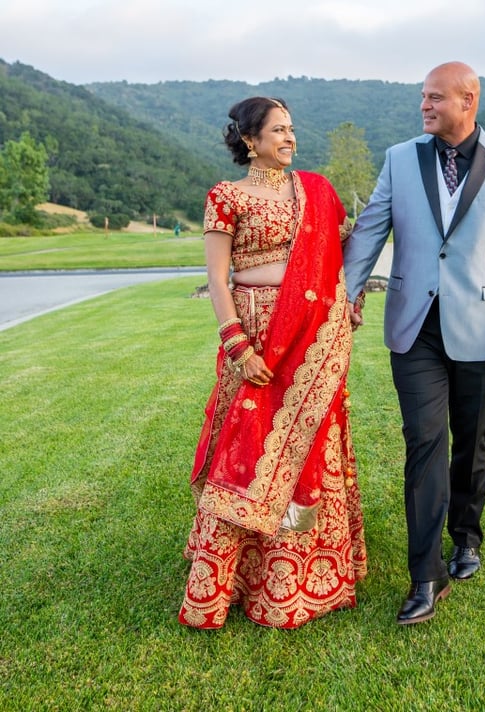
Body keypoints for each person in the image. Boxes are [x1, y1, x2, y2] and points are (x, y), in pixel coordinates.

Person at [343, 62, 485, 625]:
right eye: (422, 98)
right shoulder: (400, 158)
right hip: (414, 326)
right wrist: (348, 294)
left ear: (467, 100)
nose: (423, 107)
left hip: (481, 324)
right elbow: (372, 227)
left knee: (472, 440)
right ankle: (426, 576)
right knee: (424, 441)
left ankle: (467, 537)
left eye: (434, 98)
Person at [179, 96, 367, 629]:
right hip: (255, 334)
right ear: (249, 140)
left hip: (310, 335)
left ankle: (303, 571)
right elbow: (218, 278)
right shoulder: (226, 196)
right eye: (279, 130)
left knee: (309, 441)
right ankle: (231, 576)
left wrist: (343, 302)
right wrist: (237, 345)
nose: (290, 139)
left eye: (292, 130)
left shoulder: (316, 190)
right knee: (249, 443)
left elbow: (340, 249)